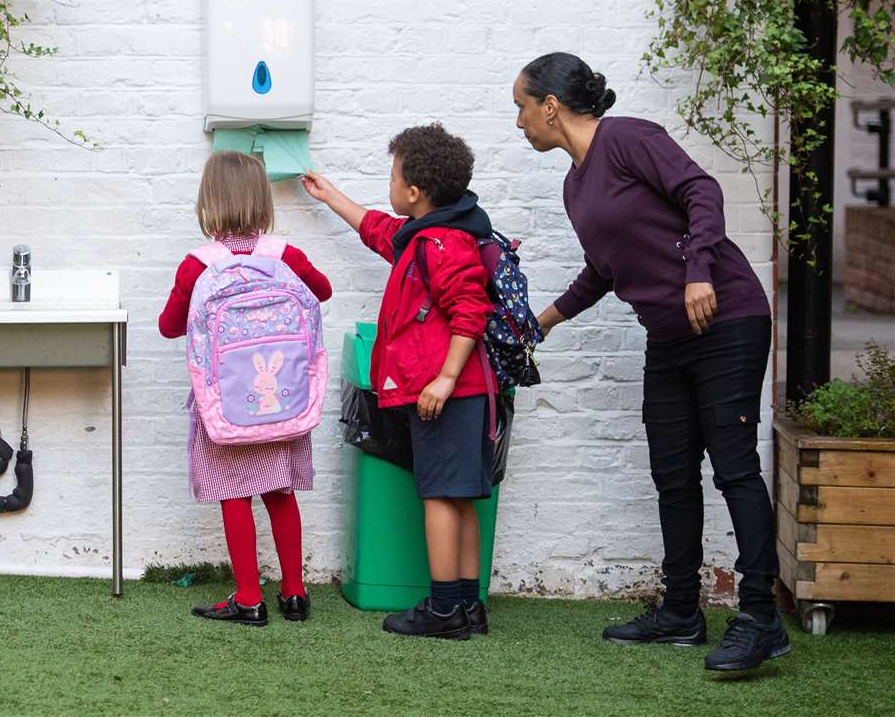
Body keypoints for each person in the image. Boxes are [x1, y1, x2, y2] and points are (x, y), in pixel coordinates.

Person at [514, 52, 787, 673]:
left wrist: (697, 273)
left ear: (550, 107)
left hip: (727, 319)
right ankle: (682, 612)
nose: (520, 121)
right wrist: (542, 323)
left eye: (522, 107)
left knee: (735, 469)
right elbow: (605, 271)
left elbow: (702, 191)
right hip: (667, 338)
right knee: (672, 473)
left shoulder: (629, 138)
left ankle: (759, 617)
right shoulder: (575, 184)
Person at [302, 125, 496, 640]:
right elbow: (378, 229)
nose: (388, 184)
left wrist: (445, 379)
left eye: (392, 175)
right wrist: (330, 196)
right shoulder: (425, 236)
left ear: (414, 192)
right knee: (460, 496)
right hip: (455, 393)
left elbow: (471, 312)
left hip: (446, 394)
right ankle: (469, 606)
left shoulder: (443, 244)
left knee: (439, 496)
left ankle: (443, 609)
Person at [159, 151, 331, 625]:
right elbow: (323, 291)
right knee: (280, 493)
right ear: (261, 199)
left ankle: (250, 598)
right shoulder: (285, 256)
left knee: (234, 495)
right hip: (285, 406)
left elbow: (169, 326)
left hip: (227, 406)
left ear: (208, 201)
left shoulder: (198, 265)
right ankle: (295, 594)